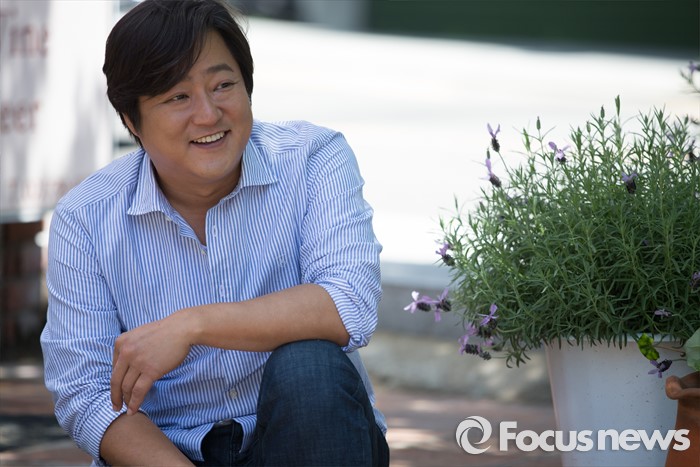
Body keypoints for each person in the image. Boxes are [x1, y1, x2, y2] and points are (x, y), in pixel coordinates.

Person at [39, 0, 388, 465]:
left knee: (309, 365)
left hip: (307, 439)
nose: (208, 114)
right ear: (131, 120)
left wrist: (192, 325)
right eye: (177, 97)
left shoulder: (313, 159)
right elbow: (86, 392)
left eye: (223, 85)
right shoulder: (86, 218)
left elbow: (349, 303)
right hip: (170, 452)